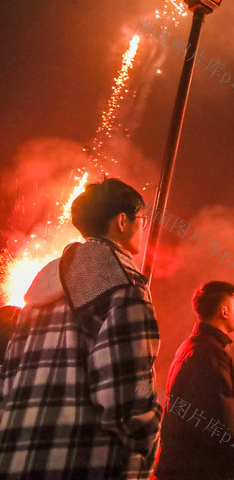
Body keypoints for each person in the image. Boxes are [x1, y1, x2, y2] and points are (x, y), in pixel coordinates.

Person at [0, 178, 162, 479]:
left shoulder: (40, 291)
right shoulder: (124, 285)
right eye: (142, 219)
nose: (144, 227)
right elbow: (126, 398)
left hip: (19, 459)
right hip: (85, 461)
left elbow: (7, 381)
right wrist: (148, 435)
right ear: (122, 221)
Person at [155, 281, 234, 480]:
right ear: (224, 312)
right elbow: (222, 426)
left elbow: (208, 409)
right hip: (203, 472)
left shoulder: (192, 346)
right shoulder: (211, 354)